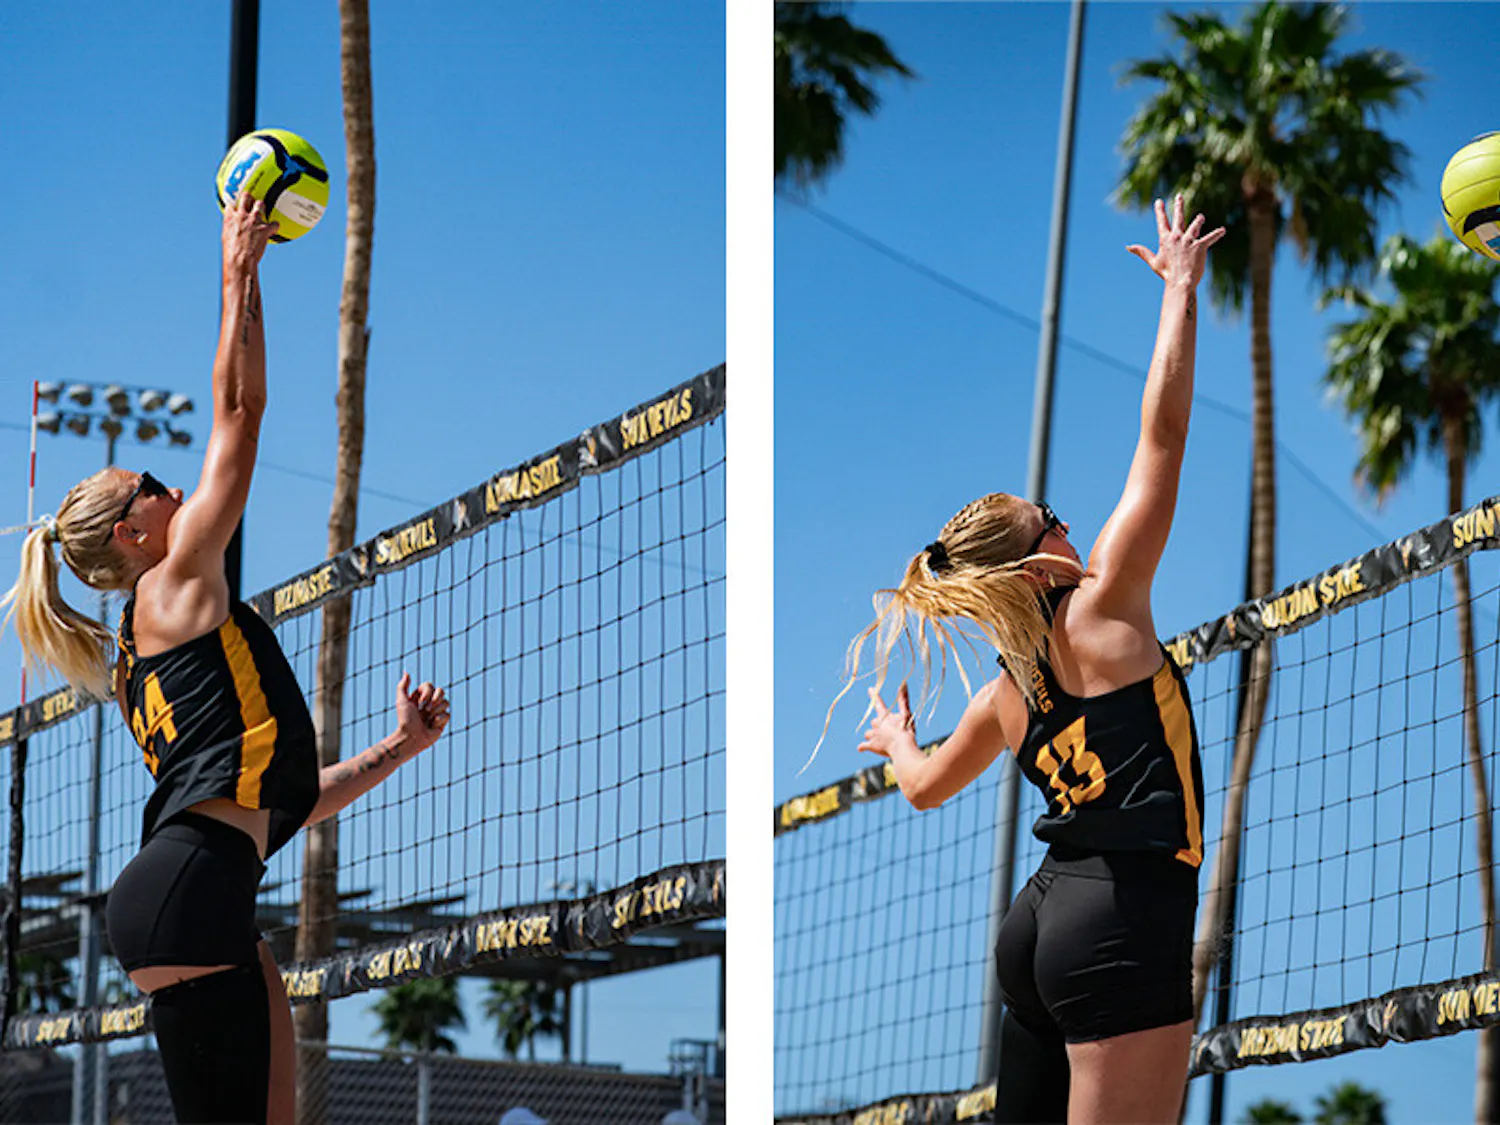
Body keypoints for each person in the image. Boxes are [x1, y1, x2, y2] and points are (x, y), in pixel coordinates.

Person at [3, 192, 451, 1125]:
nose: (178, 490)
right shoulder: (169, 588)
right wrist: (238, 270)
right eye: (157, 487)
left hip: (186, 892)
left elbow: (273, 801)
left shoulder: (141, 653)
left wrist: (398, 747)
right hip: (193, 891)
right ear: (134, 532)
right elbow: (240, 414)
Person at [851, 196, 1224, 1124]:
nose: (1071, 522)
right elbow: (1164, 437)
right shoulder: (1103, 603)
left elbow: (927, 785)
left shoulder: (1007, 692)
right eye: (1055, 514)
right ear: (1041, 557)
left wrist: (899, 739)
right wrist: (1179, 290)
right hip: (1121, 920)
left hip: (1039, 926)